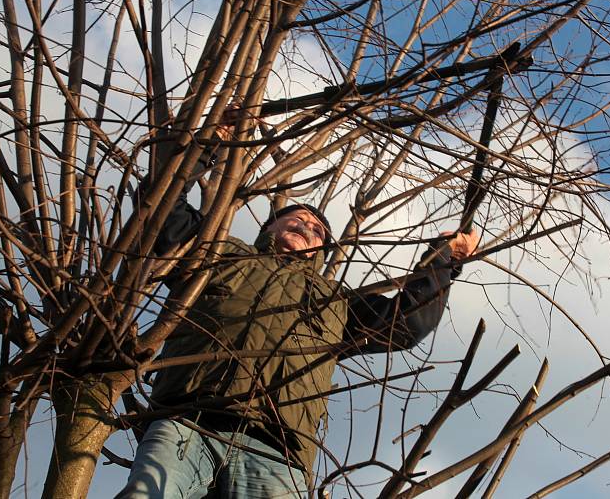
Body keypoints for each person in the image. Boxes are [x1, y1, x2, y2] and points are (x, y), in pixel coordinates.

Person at [117, 137, 478, 499]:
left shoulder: (337, 303)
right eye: (297, 219)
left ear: (322, 249)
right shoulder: (221, 254)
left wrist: (442, 257)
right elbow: (162, 208)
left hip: (278, 450)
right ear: (268, 229)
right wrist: (212, 146)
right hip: (187, 421)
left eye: (318, 230)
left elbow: (408, 322)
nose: (308, 227)